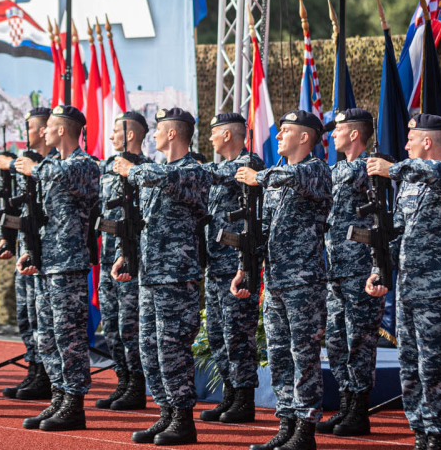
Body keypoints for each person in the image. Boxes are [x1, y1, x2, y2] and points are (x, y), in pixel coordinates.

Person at [366, 114, 441, 450]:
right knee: (409, 367)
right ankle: (420, 432)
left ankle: (438, 433)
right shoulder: (409, 185)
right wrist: (379, 267)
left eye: (411, 137)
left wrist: (391, 169)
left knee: (436, 368)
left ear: (427, 141)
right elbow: (400, 234)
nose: (406, 144)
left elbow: (434, 173)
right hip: (409, 289)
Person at [113, 108, 212, 445]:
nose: (152, 135)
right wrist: (126, 255)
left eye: (157, 130)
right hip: (150, 275)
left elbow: (165, 180)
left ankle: (183, 418)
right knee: (150, 348)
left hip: (176, 277)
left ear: (172, 133)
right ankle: (165, 412)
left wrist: (133, 169)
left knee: (173, 348)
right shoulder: (155, 174)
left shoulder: (191, 172)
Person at [234, 110, 332, 450]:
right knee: (278, 355)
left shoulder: (315, 170)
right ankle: (286, 422)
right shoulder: (277, 178)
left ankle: (305, 430)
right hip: (276, 280)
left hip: (304, 283)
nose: (278, 136)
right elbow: (263, 232)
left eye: (285, 131)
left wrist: (257, 178)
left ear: (304, 137)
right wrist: (245, 269)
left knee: (303, 356)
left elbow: (294, 177)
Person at [15, 105, 100, 432]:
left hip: (68, 265)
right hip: (44, 263)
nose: (43, 132)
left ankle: (74, 404)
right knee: (46, 336)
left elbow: (64, 176)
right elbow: (34, 215)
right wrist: (27, 251)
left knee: (70, 337)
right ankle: (58, 396)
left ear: (62, 130)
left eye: (48, 126)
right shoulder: (47, 166)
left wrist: (33, 169)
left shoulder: (83, 165)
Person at [316, 109, 384, 438]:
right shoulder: (334, 170)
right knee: (337, 341)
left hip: (360, 271)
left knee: (360, 341)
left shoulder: (368, 170)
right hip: (336, 272)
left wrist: (377, 268)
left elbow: (380, 222)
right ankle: (345, 405)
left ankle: (359, 410)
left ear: (355, 134)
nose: (332, 135)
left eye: (338, 129)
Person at [199, 112, 263, 425]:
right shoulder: (219, 172)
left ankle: (244, 399)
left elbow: (224, 174)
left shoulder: (248, 164)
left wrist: (195, 170)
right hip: (215, 266)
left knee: (238, 335)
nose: (209, 138)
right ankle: (230, 395)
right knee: (217, 336)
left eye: (213, 132)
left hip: (238, 266)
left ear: (227, 135)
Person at [0, 106, 52, 401]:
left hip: (47, 254)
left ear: (43, 130)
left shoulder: (50, 166)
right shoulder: (21, 165)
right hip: (24, 249)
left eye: (30, 126)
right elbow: (12, 209)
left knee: (44, 317)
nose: (26, 132)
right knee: (26, 314)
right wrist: (7, 239)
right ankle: (34, 367)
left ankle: (45, 373)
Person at [95, 110, 150, 411]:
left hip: (131, 260)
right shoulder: (107, 166)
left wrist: (125, 254)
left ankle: (137, 386)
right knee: (112, 326)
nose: (112, 136)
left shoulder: (146, 170)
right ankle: (122, 381)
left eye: (117, 130)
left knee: (130, 326)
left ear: (130, 134)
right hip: (107, 260)